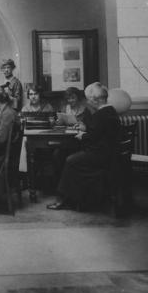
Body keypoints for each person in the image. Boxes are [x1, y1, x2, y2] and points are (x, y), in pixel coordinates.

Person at [47, 82, 121, 211]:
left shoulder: (101, 114)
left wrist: (83, 136)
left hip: (101, 156)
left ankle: (63, 198)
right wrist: (86, 130)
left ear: (95, 100)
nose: (87, 101)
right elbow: (99, 133)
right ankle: (74, 198)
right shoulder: (110, 111)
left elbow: (92, 137)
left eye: (88, 98)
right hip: (108, 153)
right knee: (68, 156)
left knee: (70, 160)